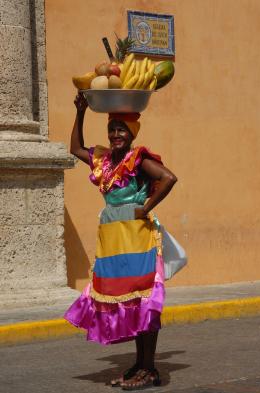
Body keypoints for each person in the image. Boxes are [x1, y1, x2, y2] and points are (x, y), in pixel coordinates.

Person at [64, 92, 177, 390]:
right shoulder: (102, 160)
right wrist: (81, 112)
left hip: (138, 239)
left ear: (131, 134)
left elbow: (168, 178)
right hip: (113, 240)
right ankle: (140, 365)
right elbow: (74, 147)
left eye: (121, 129)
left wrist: (145, 208)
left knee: (144, 301)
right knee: (129, 301)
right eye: (112, 128)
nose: (115, 134)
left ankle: (150, 369)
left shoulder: (138, 159)